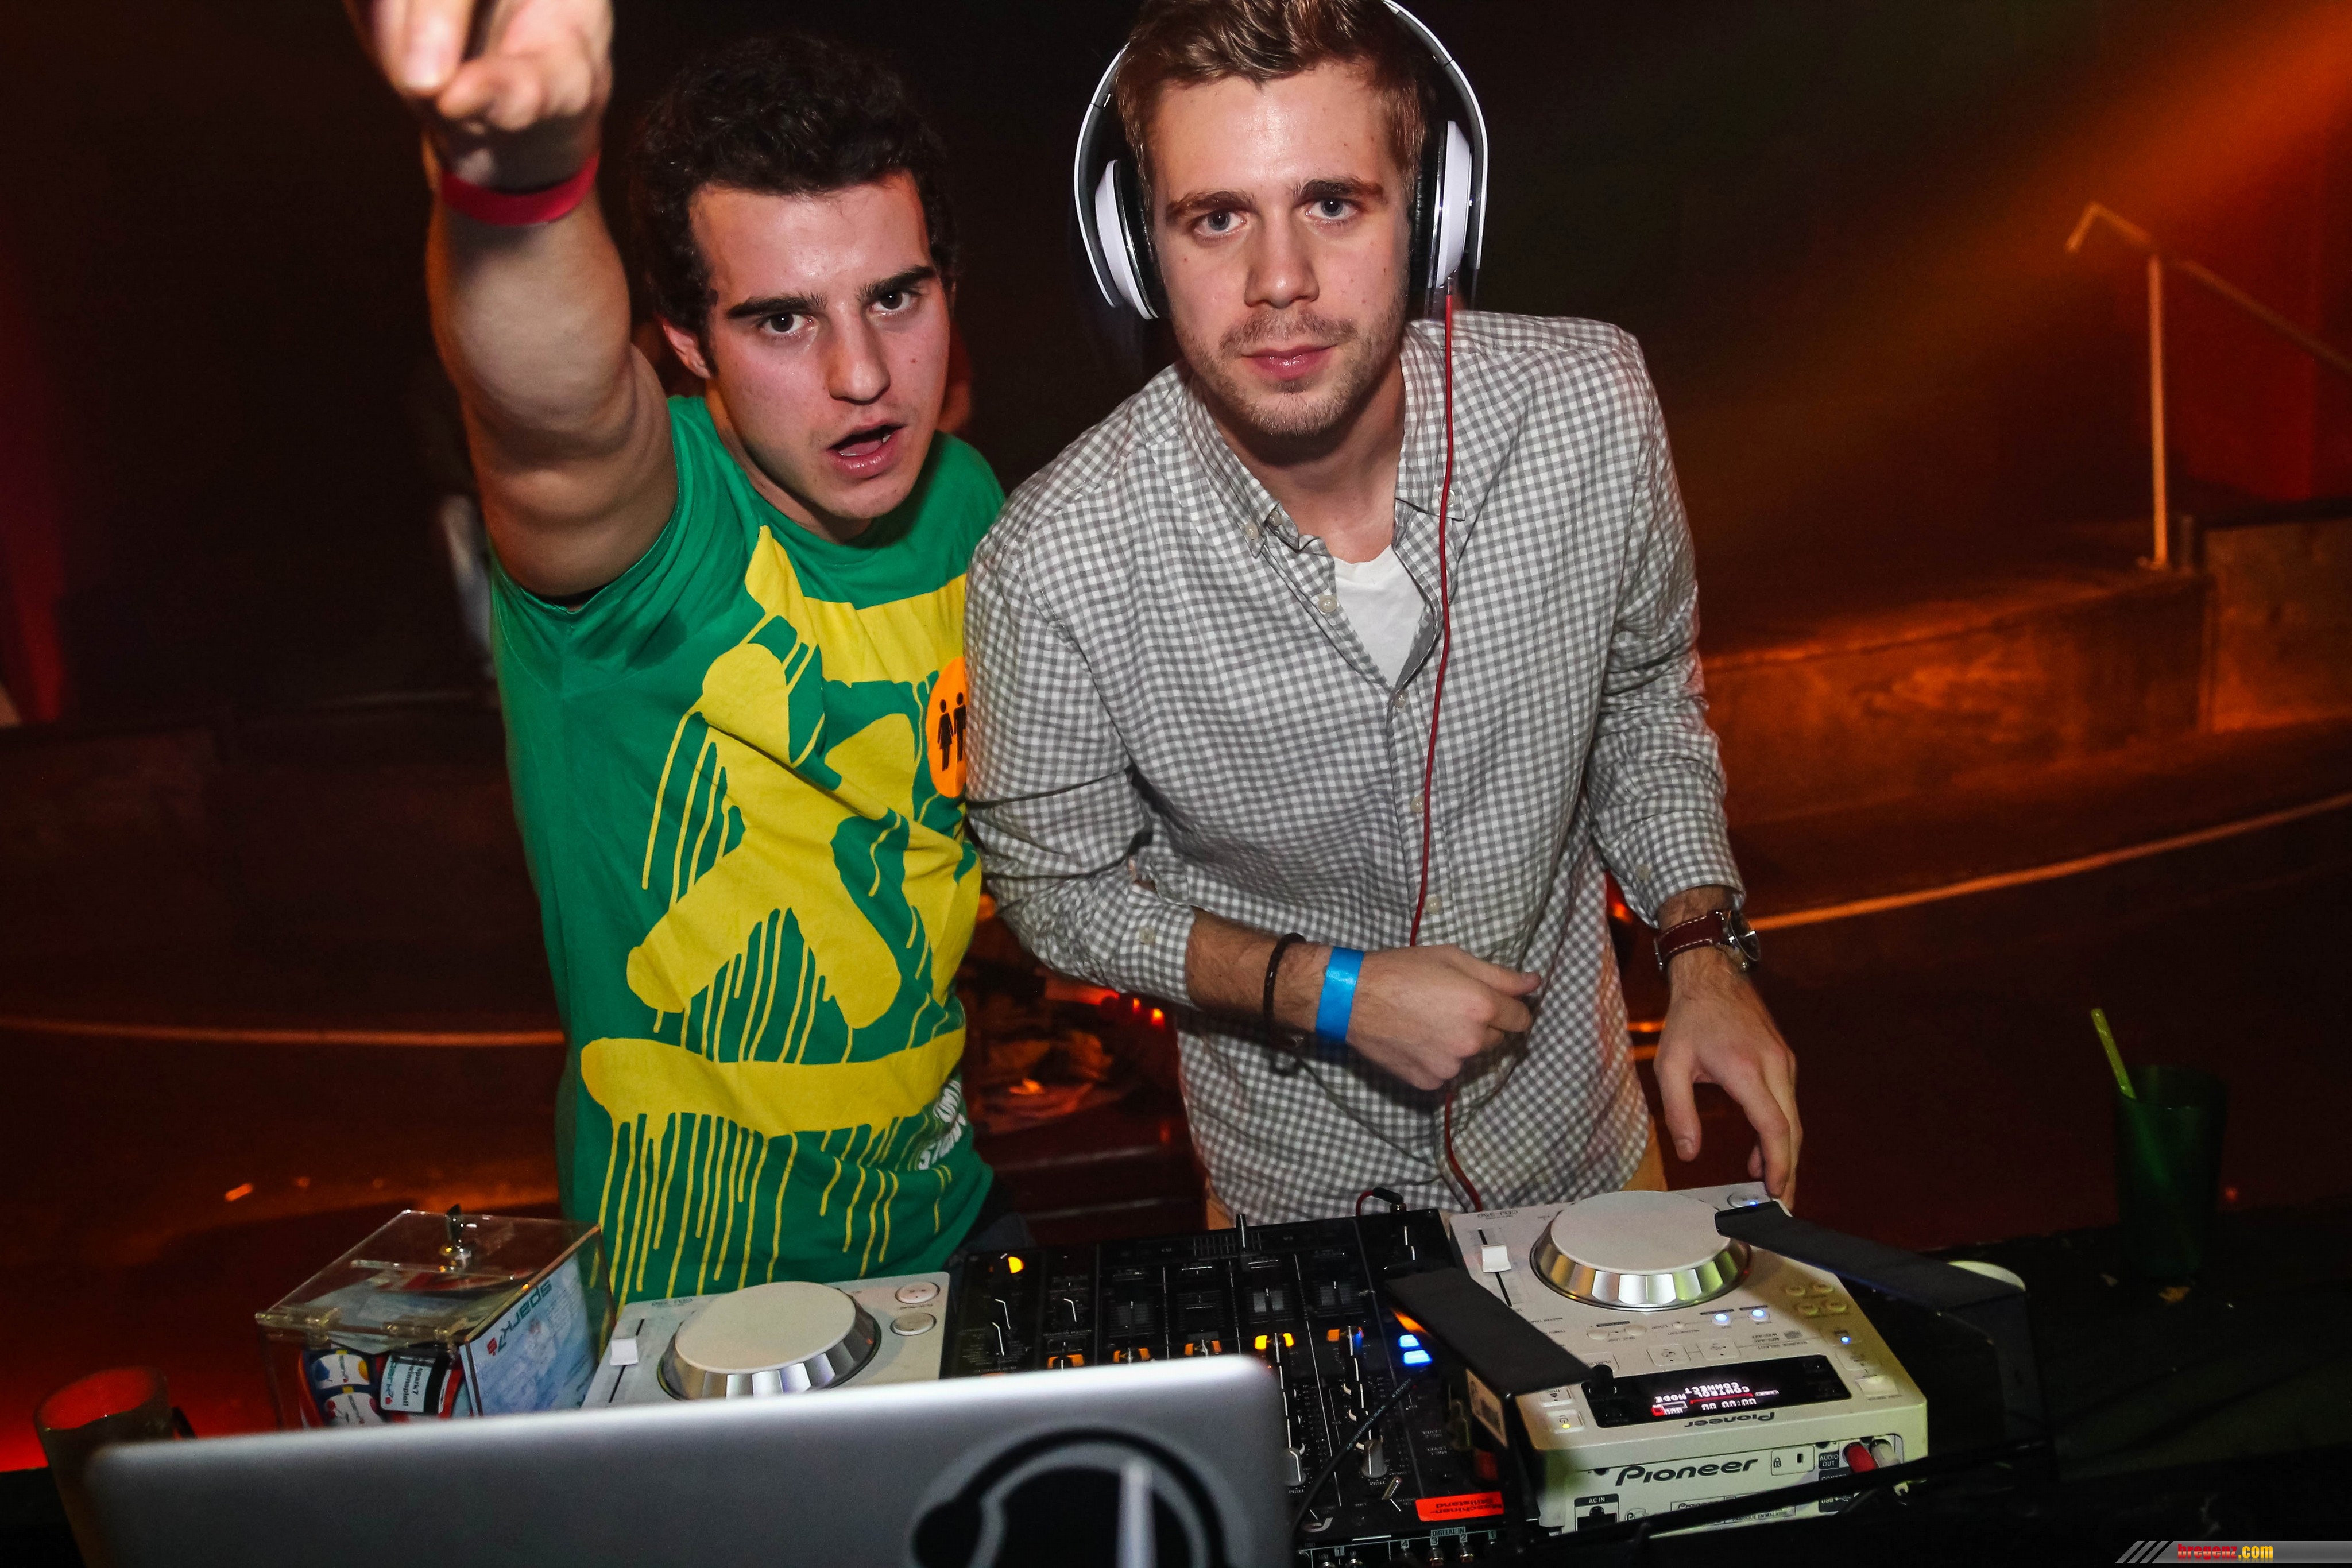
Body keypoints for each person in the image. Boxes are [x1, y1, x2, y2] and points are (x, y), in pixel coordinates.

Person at [966, 0, 1800, 1224]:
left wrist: (1701, 950)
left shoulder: (1593, 411)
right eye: (1215, 219)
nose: (1279, 282)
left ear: (1433, 212)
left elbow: (1641, 702)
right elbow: (1059, 892)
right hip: (1296, 1210)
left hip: (1587, 1159)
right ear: (1139, 251)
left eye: (1332, 203)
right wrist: (1327, 992)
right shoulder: (1050, 564)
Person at [351, 0, 1011, 1299]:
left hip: (955, 1229)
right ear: (686, 341)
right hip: (698, 1291)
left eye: (895, 297)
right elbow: (552, 417)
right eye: (782, 321)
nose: (864, 373)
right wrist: (519, 180)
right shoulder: (651, 540)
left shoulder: (966, 504)